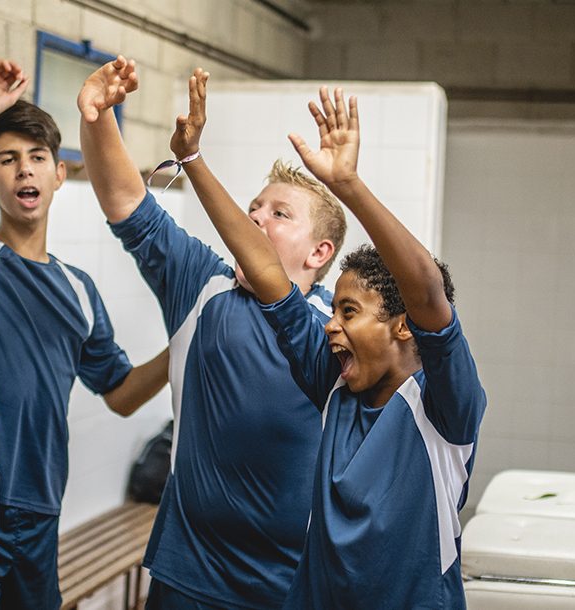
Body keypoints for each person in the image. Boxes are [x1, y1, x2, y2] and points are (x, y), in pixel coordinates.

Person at [189, 79, 488, 608]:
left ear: (402, 326)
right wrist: (191, 157)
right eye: (333, 310)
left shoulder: (445, 408)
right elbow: (263, 267)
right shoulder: (332, 380)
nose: (331, 324)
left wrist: (348, 185)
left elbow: (426, 290)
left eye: (348, 312)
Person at [78, 59, 347, 609]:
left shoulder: (335, 329)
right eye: (252, 207)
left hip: (292, 581)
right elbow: (128, 203)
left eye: (279, 213)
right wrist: (100, 117)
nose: (254, 217)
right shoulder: (202, 285)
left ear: (320, 253)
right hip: (189, 571)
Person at [0, 88, 172, 610]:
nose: (25, 171)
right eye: (7, 159)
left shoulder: (78, 289)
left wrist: (182, 346)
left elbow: (120, 394)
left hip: (41, 510)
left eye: (37, 158)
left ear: (58, 174)